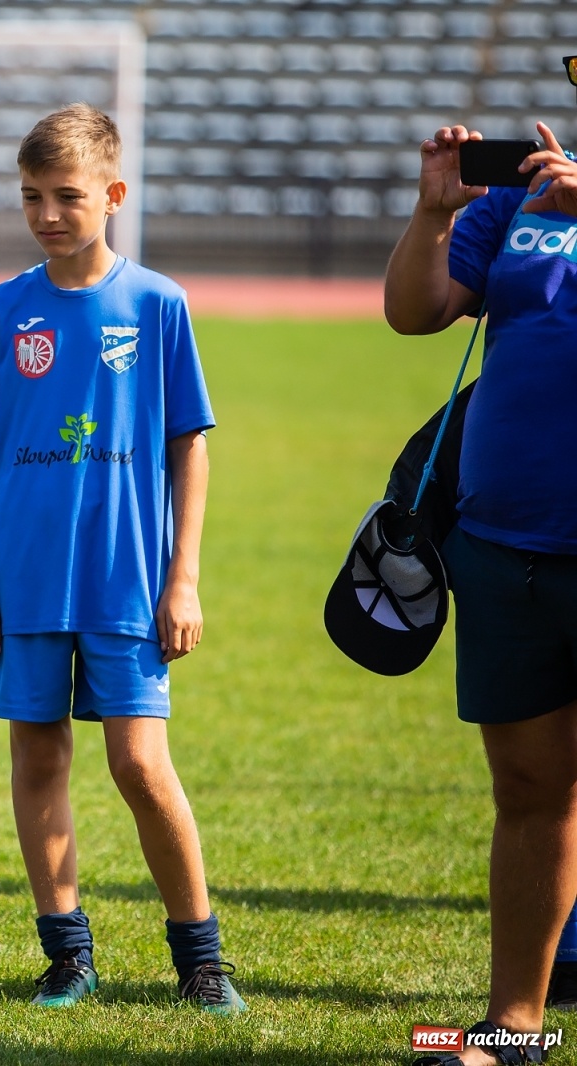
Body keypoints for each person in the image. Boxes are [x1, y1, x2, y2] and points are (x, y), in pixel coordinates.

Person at [0, 103, 245, 1014]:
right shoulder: (2, 310)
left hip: (128, 579)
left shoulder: (156, 304)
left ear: (113, 194)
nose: (47, 213)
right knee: (37, 759)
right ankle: (68, 956)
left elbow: (189, 444)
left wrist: (184, 576)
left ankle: (201, 959)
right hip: (25, 577)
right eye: (31, 196)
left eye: (68, 195)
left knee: (138, 765)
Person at [387, 120, 577, 1066]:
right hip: (507, 546)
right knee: (529, 793)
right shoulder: (522, 197)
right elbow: (415, 311)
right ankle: (515, 1030)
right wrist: (433, 211)